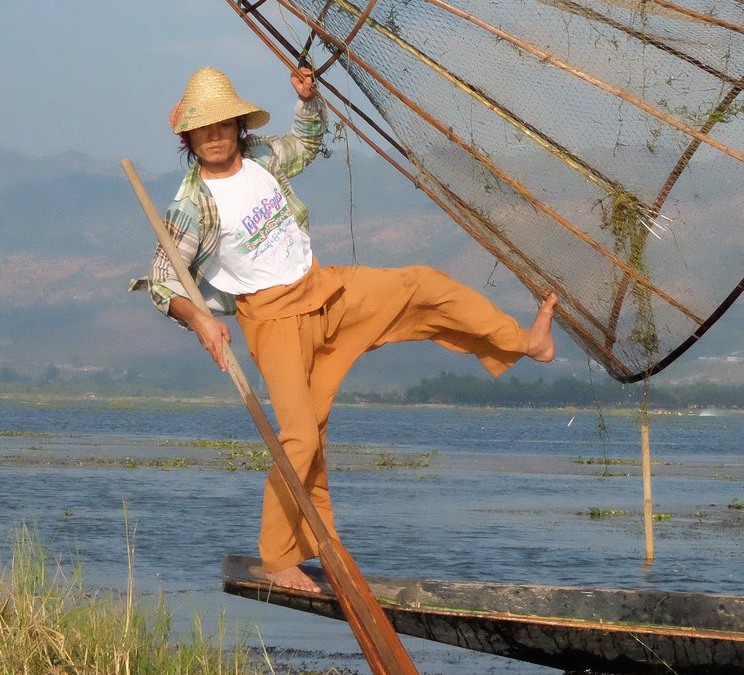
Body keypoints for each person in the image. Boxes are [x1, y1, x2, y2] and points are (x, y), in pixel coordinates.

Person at [147, 65, 557, 592]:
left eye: (224, 124)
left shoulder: (262, 159)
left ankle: (524, 342)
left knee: (422, 285)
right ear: (189, 138)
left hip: (324, 291)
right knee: (300, 437)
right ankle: (279, 557)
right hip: (273, 324)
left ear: (238, 127)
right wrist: (200, 318)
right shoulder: (191, 204)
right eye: (204, 128)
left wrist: (308, 100)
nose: (216, 136)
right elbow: (163, 282)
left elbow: (308, 142)